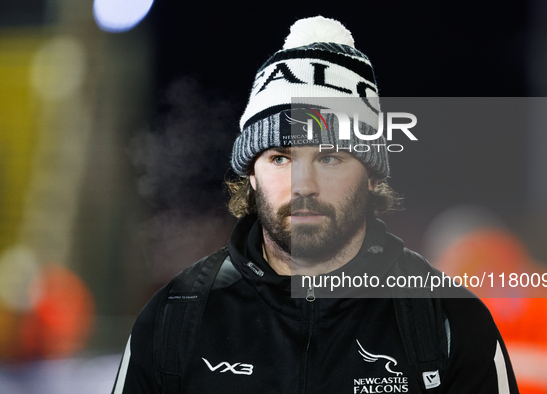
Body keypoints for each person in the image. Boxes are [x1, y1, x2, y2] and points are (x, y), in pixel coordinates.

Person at [112, 16, 519, 393]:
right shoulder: (174, 317)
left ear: (372, 175)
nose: (302, 185)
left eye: (329, 157)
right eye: (280, 158)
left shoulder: (448, 319)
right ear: (250, 176)